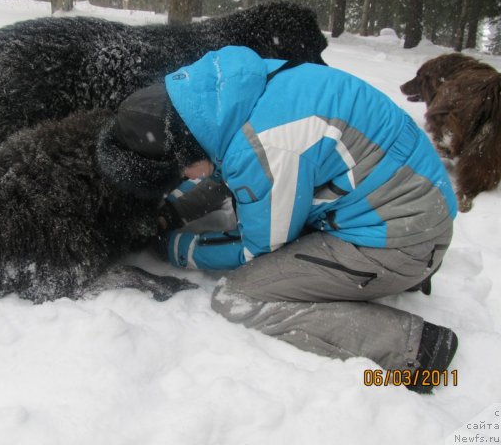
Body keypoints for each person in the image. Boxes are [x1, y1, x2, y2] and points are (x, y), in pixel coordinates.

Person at [109, 45, 459, 394]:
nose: (186, 179)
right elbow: (230, 169)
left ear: (186, 150)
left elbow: (257, 246)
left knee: (241, 297)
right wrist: (170, 213)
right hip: (412, 204)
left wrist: (172, 248)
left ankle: (413, 349)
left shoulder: (266, 146)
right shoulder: (228, 97)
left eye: (179, 172)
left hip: (404, 240)